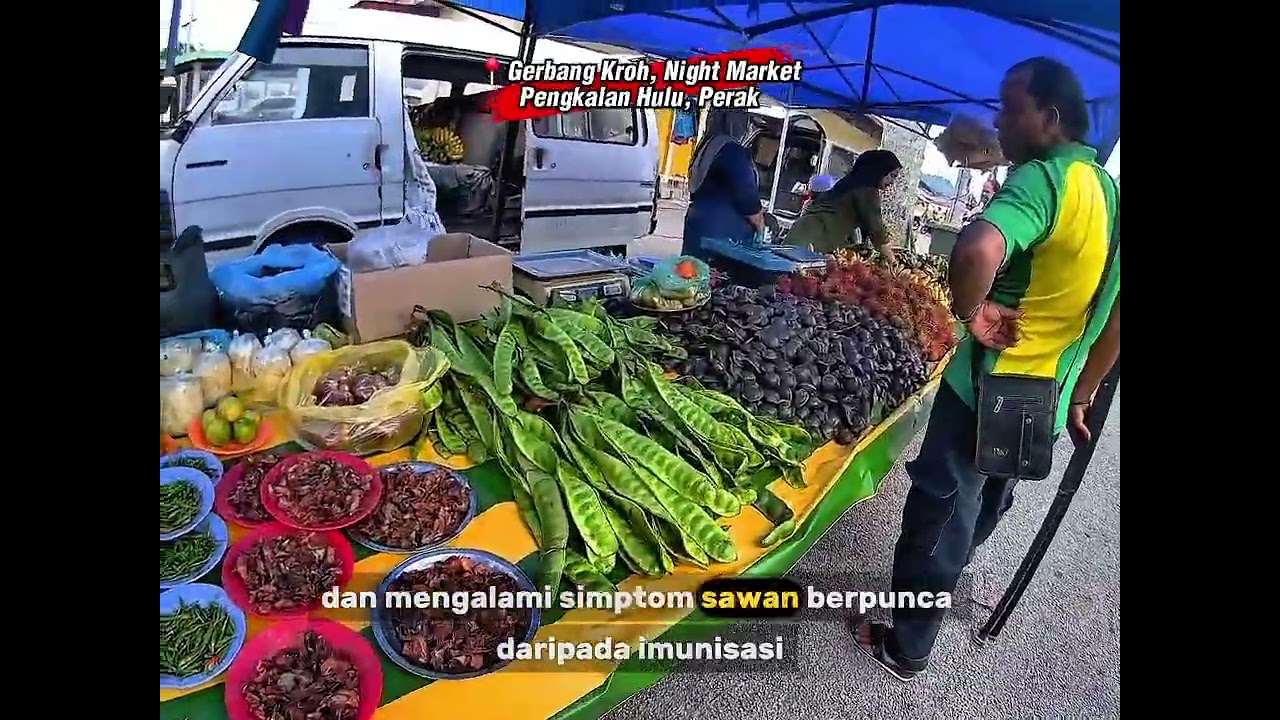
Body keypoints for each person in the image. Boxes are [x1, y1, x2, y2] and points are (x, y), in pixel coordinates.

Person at [849, 56, 1120, 681]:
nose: (999, 122)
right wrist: (1084, 392)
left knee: (940, 507)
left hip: (988, 389)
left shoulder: (1043, 179)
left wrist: (970, 310)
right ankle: (940, 585)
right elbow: (1116, 316)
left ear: (1049, 118)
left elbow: (977, 247)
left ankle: (908, 641)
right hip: (1044, 396)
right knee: (988, 501)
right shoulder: (1109, 193)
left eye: (1009, 108)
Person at [784, 149, 902, 258]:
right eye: (892, 176)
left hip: (802, 230)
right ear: (880, 171)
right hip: (812, 239)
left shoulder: (851, 183)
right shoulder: (867, 191)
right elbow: (876, 231)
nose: (892, 182)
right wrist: (893, 263)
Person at [682, 109, 765, 259]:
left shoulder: (708, 144)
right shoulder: (732, 150)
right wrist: (760, 225)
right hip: (720, 234)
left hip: (697, 223)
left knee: (691, 274)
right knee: (713, 278)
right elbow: (747, 196)